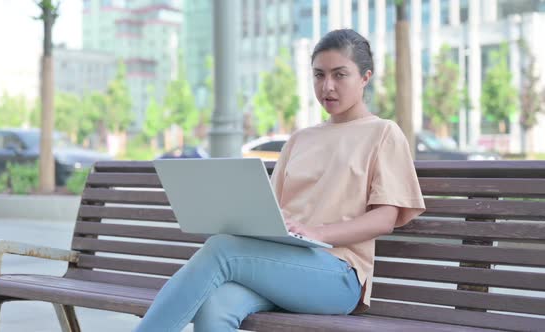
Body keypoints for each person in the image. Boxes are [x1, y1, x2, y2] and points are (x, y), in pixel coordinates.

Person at [134, 28, 426, 332]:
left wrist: (317, 232)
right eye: (318, 75)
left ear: (365, 77)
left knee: (222, 250)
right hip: (281, 264)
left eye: (340, 75)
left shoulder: (382, 133)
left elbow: (385, 219)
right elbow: (272, 210)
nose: (327, 86)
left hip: (337, 275)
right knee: (216, 307)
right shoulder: (300, 139)